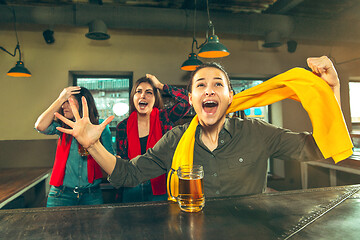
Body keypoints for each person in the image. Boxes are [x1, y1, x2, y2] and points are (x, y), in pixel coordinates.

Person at [54, 56, 346, 199]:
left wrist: (332, 92)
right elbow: (127, 174)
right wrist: (91, 144)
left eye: (218, 84)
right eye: (201, 85)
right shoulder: (175, 140)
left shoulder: (258, 132)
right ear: (191, 99)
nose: (209, 91)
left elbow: (321, 148)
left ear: (230, 97)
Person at [35, 87, 114, 207]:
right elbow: (40, 126)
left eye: (68, 101)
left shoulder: (99, 127)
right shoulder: (63, 126)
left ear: (83, 103)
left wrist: (94, 144)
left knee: (94, 226)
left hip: (91, 194)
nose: (63, 106)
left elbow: (111, 161)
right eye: (63, 102)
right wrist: (60, 98)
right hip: (61, 194)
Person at [116, 74, 191, 202]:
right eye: (138, 92)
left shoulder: (164, 118)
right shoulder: (122, 126)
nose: (143, 96)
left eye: (149, 92)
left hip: (160, 185)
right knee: (130, 222)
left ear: (155, 98)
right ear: (133, 97)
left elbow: (186, 100)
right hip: (131, 186)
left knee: (161, 222)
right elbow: (122, 159)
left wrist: (160, 86)